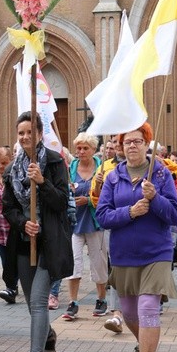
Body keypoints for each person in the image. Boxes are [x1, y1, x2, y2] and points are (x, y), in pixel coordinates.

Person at [95, 122, 177, 352]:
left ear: (147, 144)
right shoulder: (113, 177)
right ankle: (143, 343)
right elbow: (102, 216)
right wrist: (130, 212)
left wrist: (155, 197)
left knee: (147, 309)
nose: (131, 146)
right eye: (126, 142)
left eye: (137, 141)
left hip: (156, 253)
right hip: (123, 255)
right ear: (120, 147)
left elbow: (175, 215)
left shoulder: (160, 173)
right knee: (131, 314)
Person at [2, 111, 73, 352]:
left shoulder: (55, 162)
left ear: (41, 134)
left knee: (38, 302)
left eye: (30, 132)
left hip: (49, 242)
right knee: (33, 304)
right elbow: (8, 207)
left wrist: (42, 182)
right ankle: (49, 335)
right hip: (23, 243)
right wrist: (23, 224)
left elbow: (61, 202)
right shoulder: (12, 169)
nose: (25, 137)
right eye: (21, 133)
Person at [62, 132, 107, 320]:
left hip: (96, 223)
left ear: (93, 150)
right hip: (74, 223)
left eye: (85, 148)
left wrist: (88, 200)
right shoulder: (71, 168)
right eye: (78, 148)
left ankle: (101, 299)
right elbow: (63, 192)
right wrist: (69, 194)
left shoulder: (102, 168)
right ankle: (73, 302)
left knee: (99, 263)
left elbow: (107, 196)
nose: (80, 152)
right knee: (74, 262)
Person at [90, 136, 127, 333]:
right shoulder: (105, 167)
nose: (117, 145)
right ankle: (117, 315)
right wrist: (97, 184)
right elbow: (96, 201)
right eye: (114, 141)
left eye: (121, 141)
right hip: (115, 225)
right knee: (116, 268)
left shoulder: (152, 165)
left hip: (142, 229)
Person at [0, 146, 20, 305]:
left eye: (4, 163)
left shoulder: (15, 176)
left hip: (13, 227)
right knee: (5, 260)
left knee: (13, 260)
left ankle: (11, 288)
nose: (1, 166)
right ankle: (12, 286)